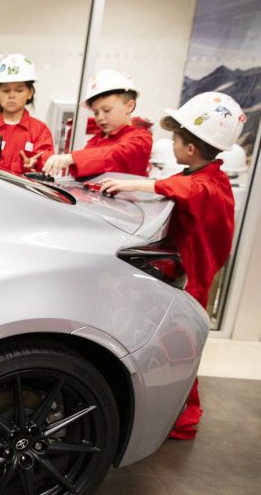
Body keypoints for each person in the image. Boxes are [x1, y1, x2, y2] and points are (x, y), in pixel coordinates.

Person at [100, 92, 245, 440]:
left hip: (193, 280)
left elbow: (189, 190)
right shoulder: (203, 177)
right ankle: (180, 415)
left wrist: (138, 183)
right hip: (188, 275)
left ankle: (185, 420)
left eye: (177, 138)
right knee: (178, 348)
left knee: (181, 350)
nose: (173, 143)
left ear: (191, 149)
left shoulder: (208, 184)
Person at [43, 70, 152, 178]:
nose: (100, 117)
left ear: (129, 106)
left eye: (107, 110)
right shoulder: (98, 139)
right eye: (96, 112)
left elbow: (115, 155)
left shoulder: (140, 139)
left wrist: (72, 158)